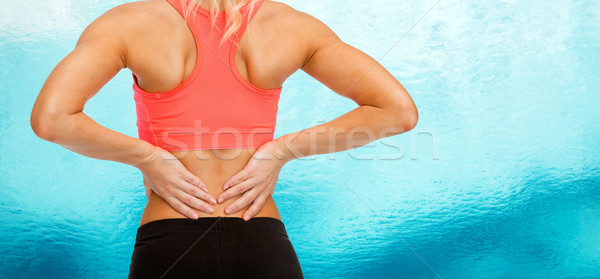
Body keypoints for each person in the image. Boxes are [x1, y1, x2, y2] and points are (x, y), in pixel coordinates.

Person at [30, 0, 418, 277]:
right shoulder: (291, 25)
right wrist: (280, 152)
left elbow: (52, 119)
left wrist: (149, 158)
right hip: (261, 237)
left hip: (170, 238)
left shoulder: (130, 22)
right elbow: (397, 111)